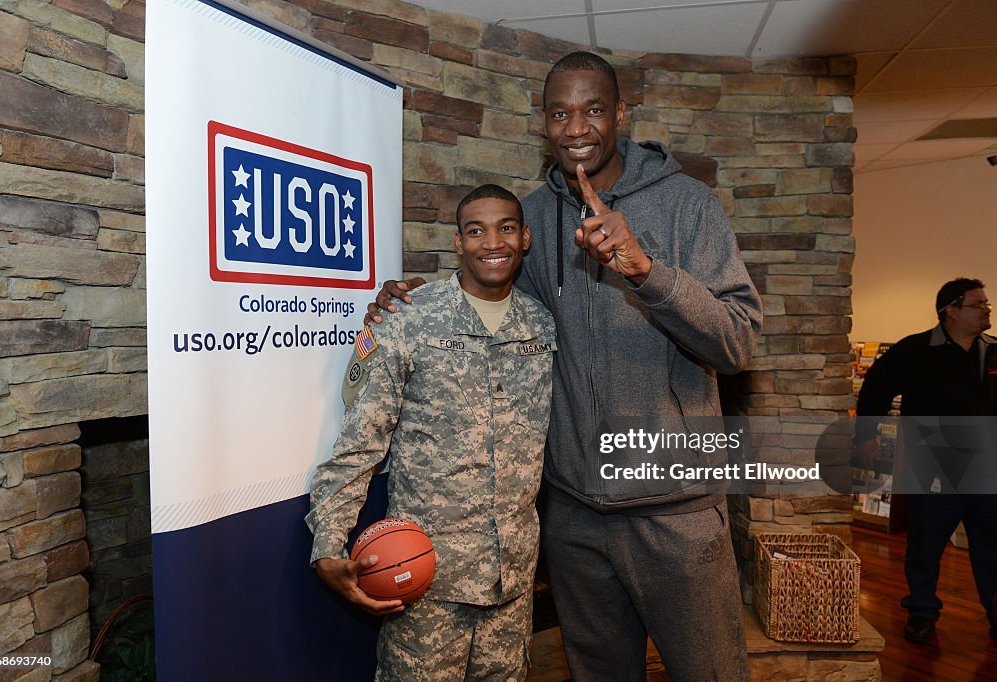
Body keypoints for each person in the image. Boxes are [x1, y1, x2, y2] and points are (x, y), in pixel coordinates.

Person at [367, 52, 761, 681]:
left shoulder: (689, 206)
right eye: (560, 113)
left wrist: (647, 271)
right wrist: (413, 299)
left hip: (677, 516)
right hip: (575, 520)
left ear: (621, 115)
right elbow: (495, 303)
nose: (577, 127)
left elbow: (739, 342)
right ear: (543, 124)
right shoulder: (534, 216)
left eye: (594, 110)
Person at [306, 185, 557, 681]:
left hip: (512, 581)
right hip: (425, 582)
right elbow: (360, 443)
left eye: (506, 228)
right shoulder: (410, 318)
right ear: (458, 242)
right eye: (476, 230)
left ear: (524, 238)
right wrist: (328, 546)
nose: (492, 242)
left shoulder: (543, 327)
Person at [855, 277, 996, 643]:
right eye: (978, 304)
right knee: (925, 544)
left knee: (991, 544)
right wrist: (868, 435)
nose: (987, 309)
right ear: (951, 310)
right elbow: (875, 386)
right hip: (932, 470)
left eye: (986, 304)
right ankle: (921, 611)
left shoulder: (994, 352)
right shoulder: (915, 350)